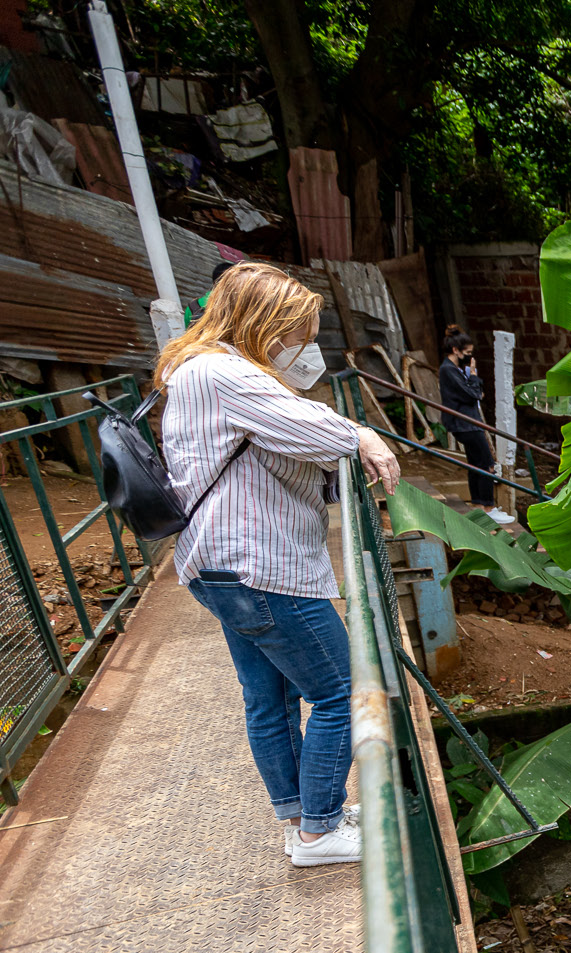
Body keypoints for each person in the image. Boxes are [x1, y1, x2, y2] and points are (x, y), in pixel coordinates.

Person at [154, 262, 402, 866]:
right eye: (299, 333)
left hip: (221, 566)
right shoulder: (222, 371)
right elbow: (311, 428)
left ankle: (303, 818)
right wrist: (364, 436)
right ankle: (319, 831)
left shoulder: (197, 368)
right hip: (261, 568)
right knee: (344, 690)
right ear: (266, 325)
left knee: (269, 696)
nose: (305, 348)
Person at [439, 327, 511, 524]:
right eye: (467, 353)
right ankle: (488, 507)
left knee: (476, 464)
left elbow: (475, 394)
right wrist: (473, 374)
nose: (470, 357)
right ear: (456, 350)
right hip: (465, 423)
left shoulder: (454, 370)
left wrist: (473, 383)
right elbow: (472, 395)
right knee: (486, 465)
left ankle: (480, 506)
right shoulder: (448, 370)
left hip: (467, 421)